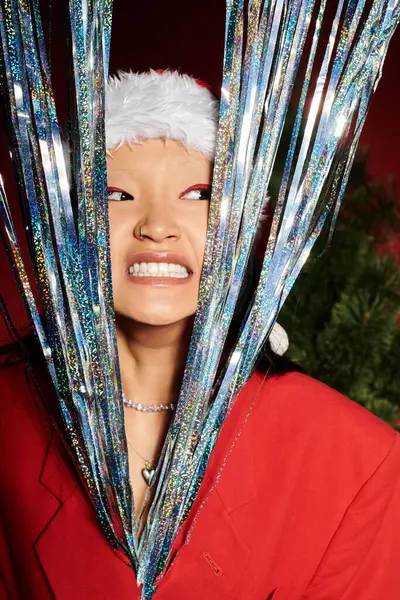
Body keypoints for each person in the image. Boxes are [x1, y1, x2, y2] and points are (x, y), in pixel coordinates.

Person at [0, 70, 399, 600]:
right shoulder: (10, 420)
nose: (157, 226)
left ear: (246, 226)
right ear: (66, 222)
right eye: (116, 195)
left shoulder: (358, 459)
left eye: (199, 194)